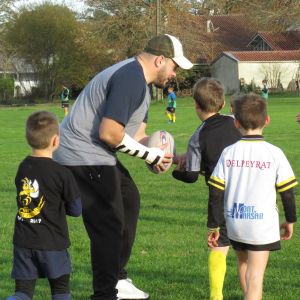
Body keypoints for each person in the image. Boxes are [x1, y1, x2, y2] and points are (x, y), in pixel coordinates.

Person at [53, 34, 193, 300]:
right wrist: (149, 156)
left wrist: (169, 156)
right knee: (109, 224)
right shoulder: (131, 77)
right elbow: (109, 133)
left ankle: (118, 280)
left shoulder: (141, 82)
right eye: (175, 66)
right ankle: (105, 294)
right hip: (82, 153)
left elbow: (136, 136)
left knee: (129, 198)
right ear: (160, 60)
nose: (175, 74)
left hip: (95, 152)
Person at [207, 93, 297, 300]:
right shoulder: (274, 153)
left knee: (243, 265)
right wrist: (290, 220)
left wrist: (213, 226)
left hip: (235, 223)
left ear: (236, 123)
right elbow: (287, 193)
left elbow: (215, 193)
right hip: (261, 225)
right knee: (256, 277)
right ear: (267, 120)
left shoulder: (228, 153)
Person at [172, 78, 242, 300]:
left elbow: (191, 175)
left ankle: (216, 295)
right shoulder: (236, 121)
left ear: (195, 104)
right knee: (247, 254)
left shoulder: (197, 137)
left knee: (219, 245)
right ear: (223, 105)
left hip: (220, 198)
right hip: (248, 193)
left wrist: (176, 169)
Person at [7, 111, 82, 300]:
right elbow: (76, 210)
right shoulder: (62, 173)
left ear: (26, 138)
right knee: (60, 291)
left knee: (22, 293)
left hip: (23, 241)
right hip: (53, 242)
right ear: (56, 140)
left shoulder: (23, 167)